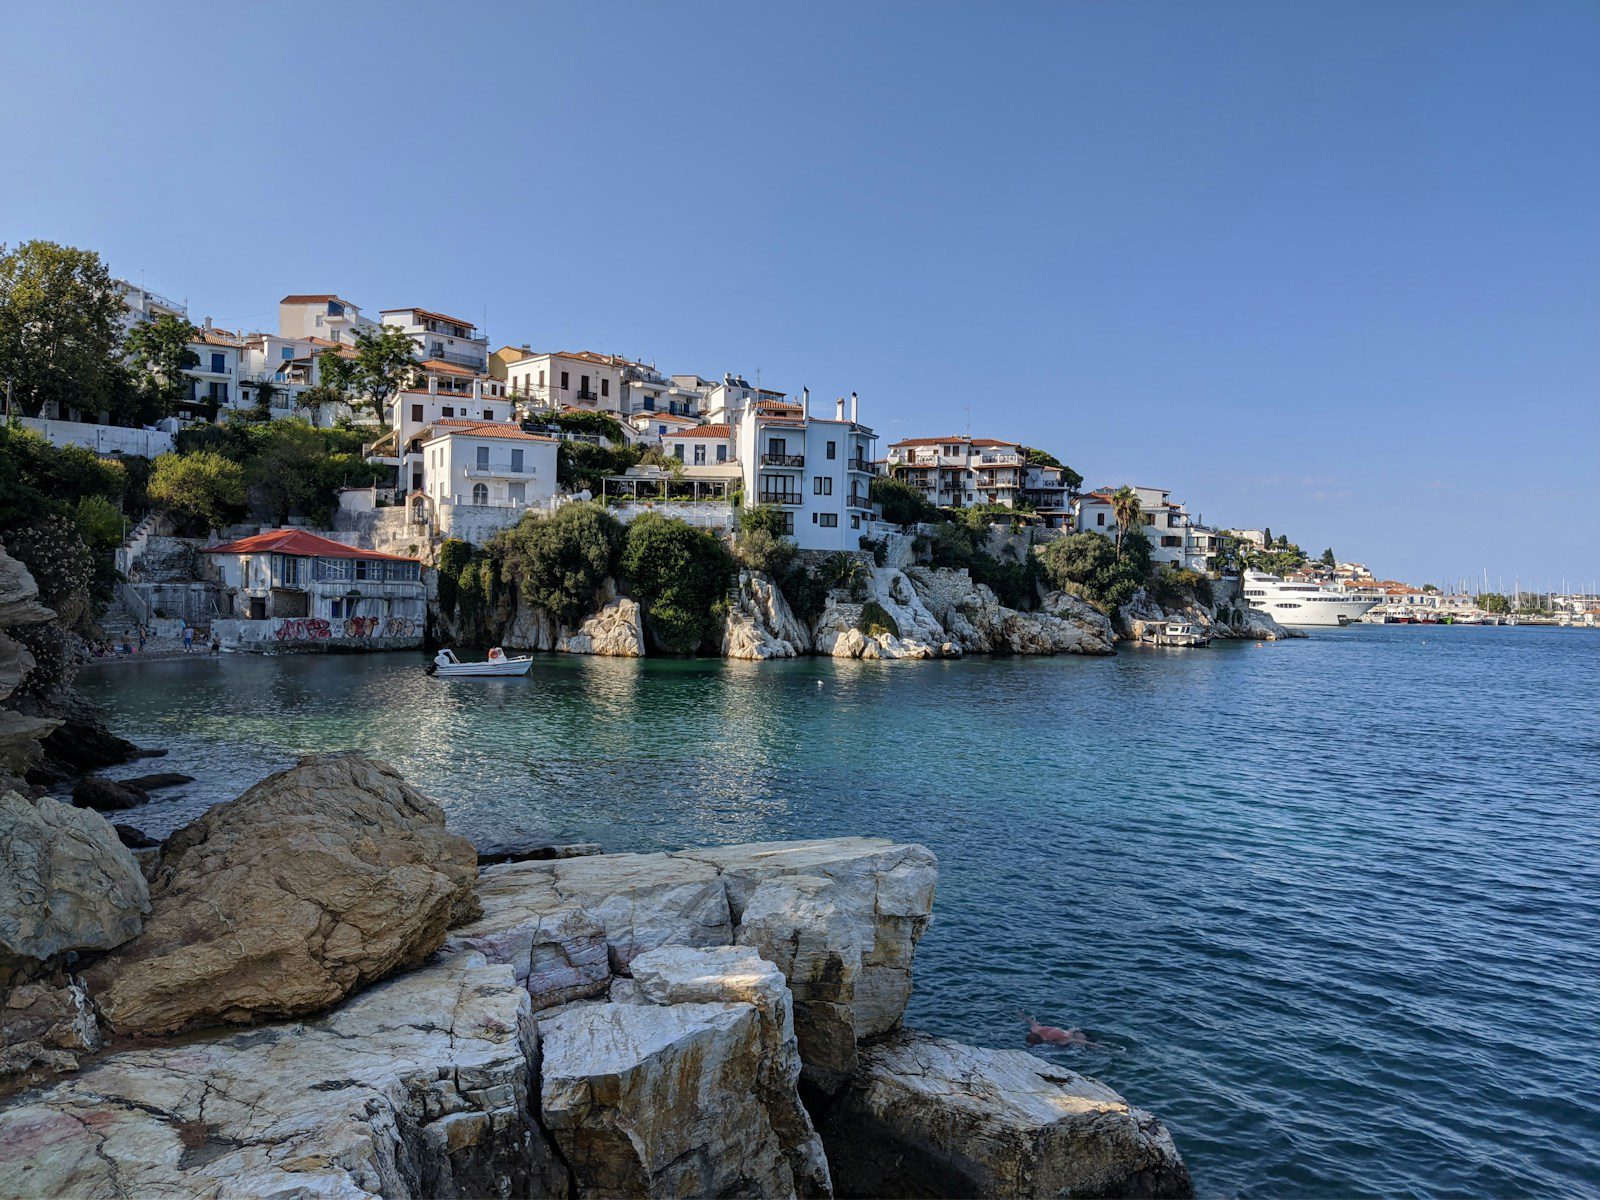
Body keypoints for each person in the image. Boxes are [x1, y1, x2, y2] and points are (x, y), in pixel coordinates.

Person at [1019, 1012, 1115, 1050]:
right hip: (1068, 1032)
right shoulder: (1036, 1029)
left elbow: (1079, 1041)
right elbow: (1030, 1020)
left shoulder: (1060, 1041)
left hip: (1077, 1035)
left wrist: (1107, 1049)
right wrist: (1021, 1015)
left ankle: (1110, 1048)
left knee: (1084, 1046)